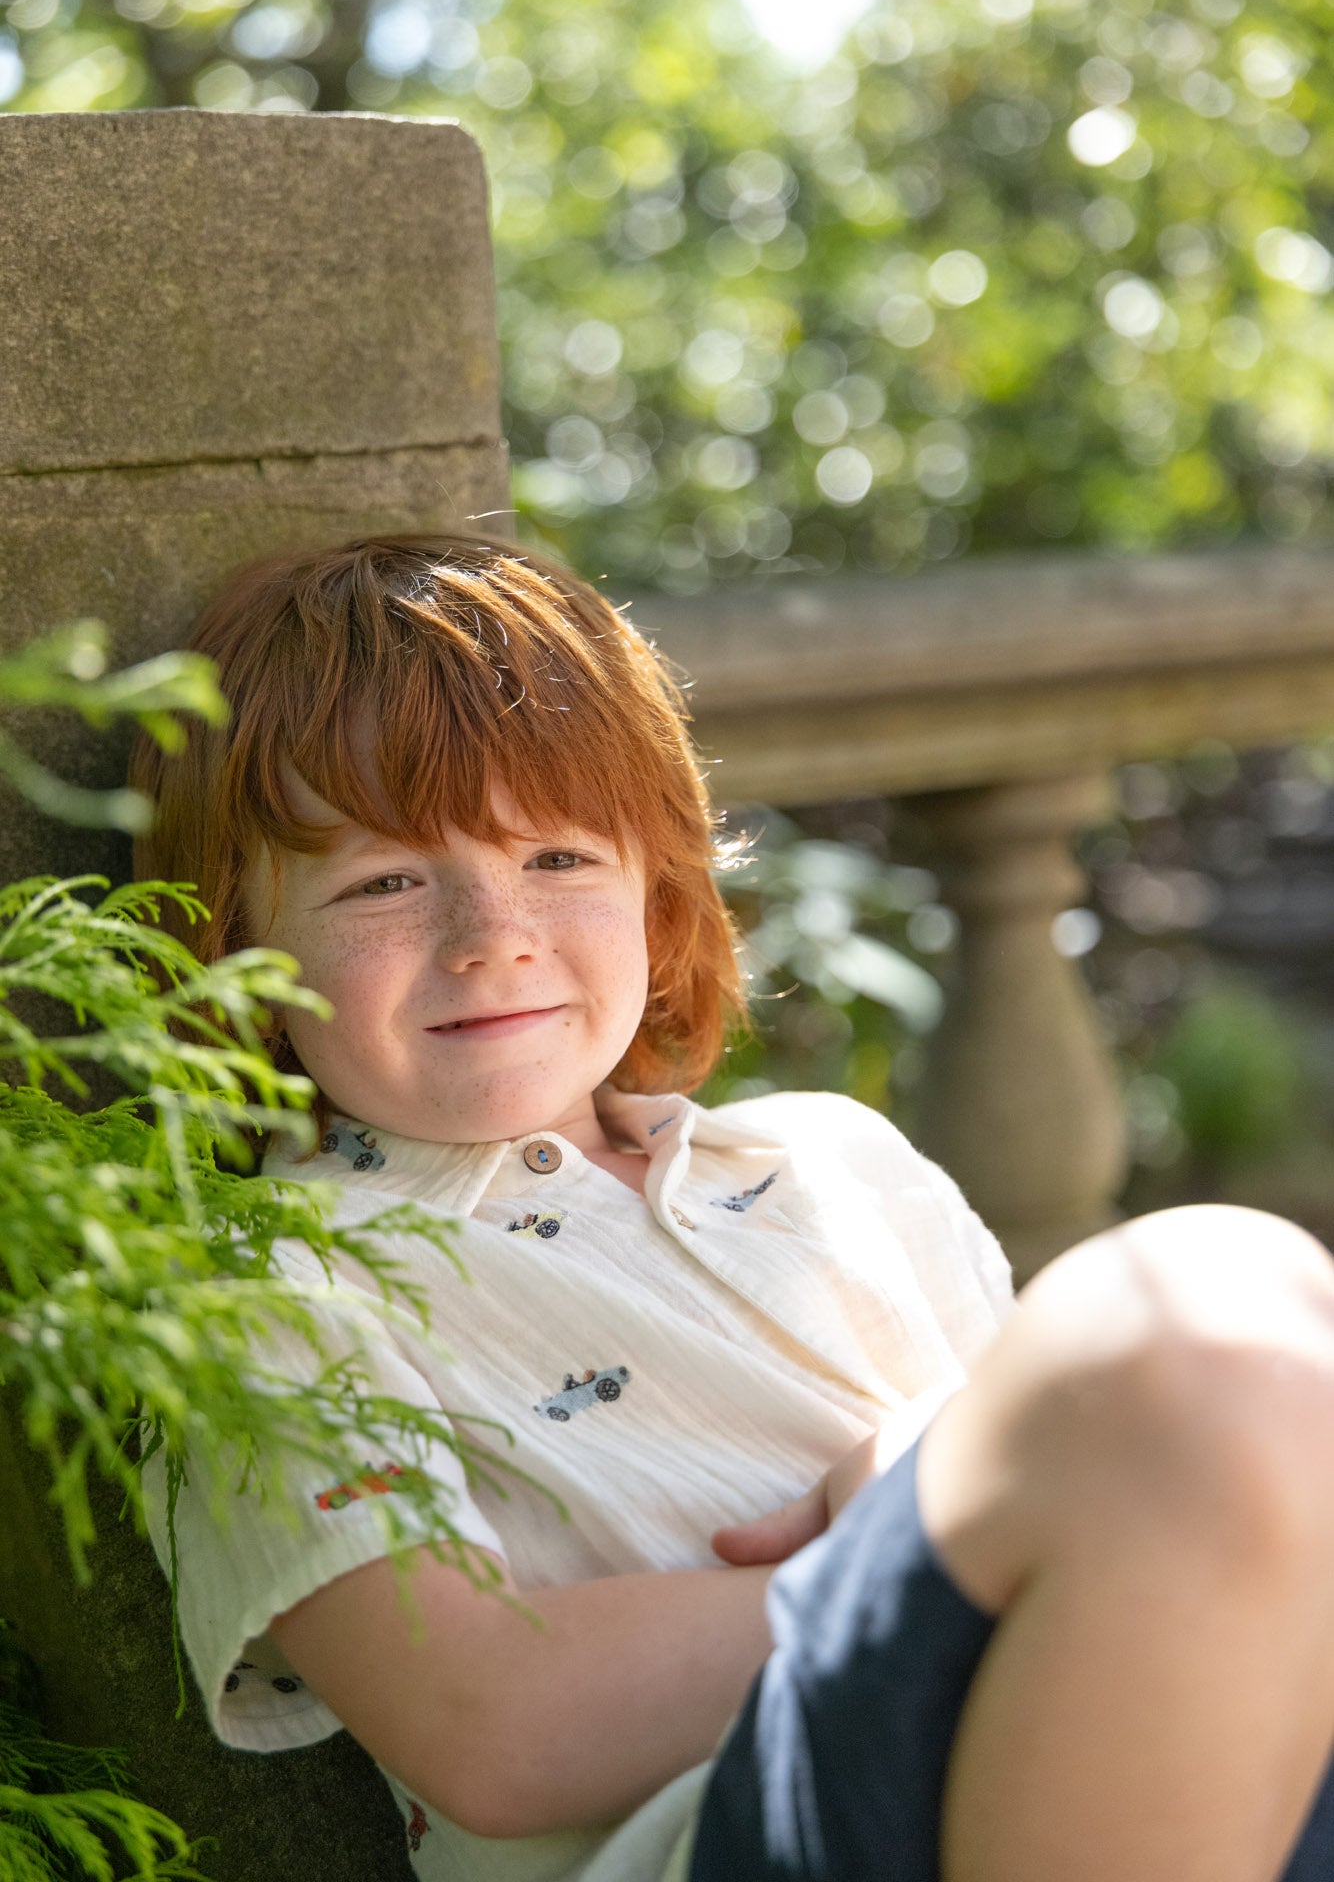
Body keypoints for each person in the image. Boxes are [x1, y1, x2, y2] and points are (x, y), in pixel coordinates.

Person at [130, 532, 1334, 1882]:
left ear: (655, 884)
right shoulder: (266, 1291)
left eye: (558, 860)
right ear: (236, 944)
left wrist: (966, 1496)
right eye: (383, 882)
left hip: (1113, 1772)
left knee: (1276, 1339)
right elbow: (487, 1728)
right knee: (1207, 1289)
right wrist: (936, 1536)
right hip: (744, 1836)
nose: (490, 931)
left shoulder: (831, 1162)